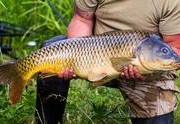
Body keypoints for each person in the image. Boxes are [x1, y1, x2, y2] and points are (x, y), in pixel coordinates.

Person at [36, 0, 180, 124]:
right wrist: (76, 59)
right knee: (51, 49)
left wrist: (146, 68)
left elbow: (175, 47)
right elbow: (82, 19)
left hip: (147, 62)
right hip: (95, 54)